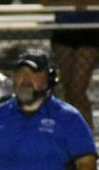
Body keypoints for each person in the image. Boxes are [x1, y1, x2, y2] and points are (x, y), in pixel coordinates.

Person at [49, 0, 99, 129]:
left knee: (77, 90)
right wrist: (70, 4)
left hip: (90, 30)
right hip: (63, 29)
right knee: (67, 89)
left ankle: (88, 134)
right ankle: (70, 133)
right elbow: (46, 3)